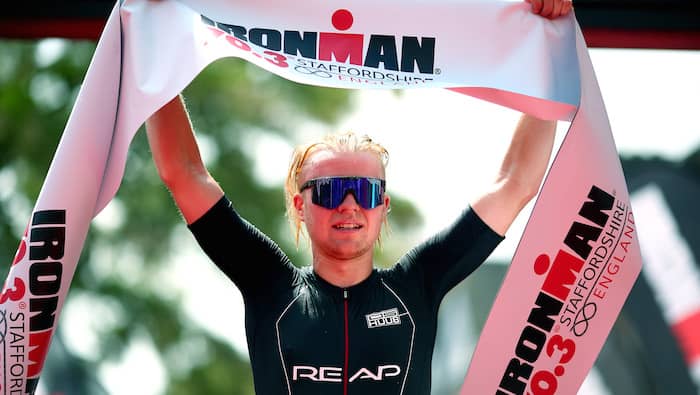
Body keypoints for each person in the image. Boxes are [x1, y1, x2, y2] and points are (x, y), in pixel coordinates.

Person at [145, 2, 571, 393]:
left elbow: (515, 183)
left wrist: (547, 42)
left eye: (366, 191)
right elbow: (184, 173)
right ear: (300, 205)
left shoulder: (417, 285)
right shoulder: (270, 285)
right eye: (330, 191)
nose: (349, 204)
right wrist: (153, 37)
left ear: (383, 206)